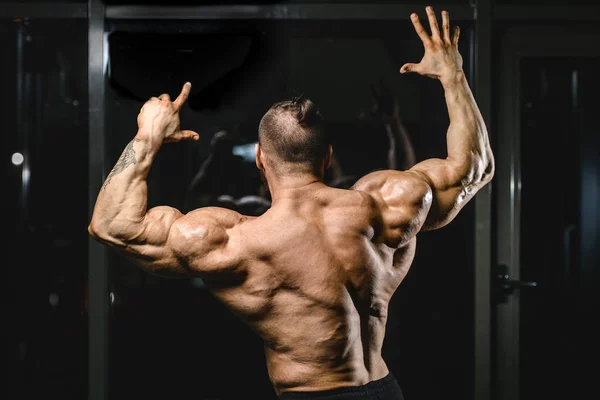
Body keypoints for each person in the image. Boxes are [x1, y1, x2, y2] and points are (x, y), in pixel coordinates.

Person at [88, 6, 494, 400]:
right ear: (327, 156)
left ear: (262, 160)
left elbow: (112, 226)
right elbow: (474, 168)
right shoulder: (387, 206)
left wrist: (148, 136)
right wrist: (453, 76)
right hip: (385, 390)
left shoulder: (233, 241)